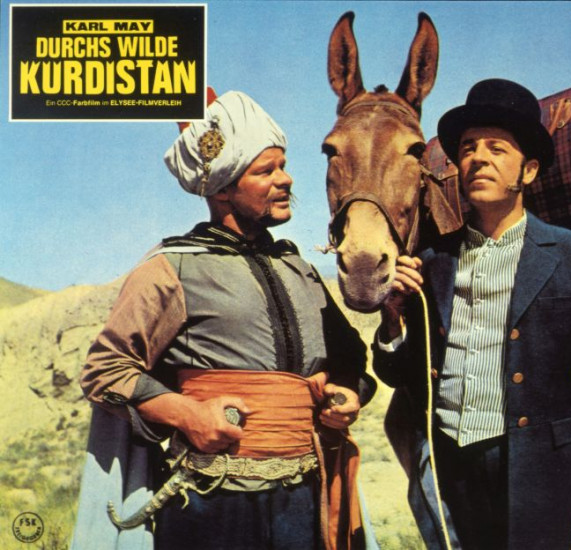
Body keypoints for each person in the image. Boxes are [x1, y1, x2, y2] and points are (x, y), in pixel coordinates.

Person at [72, 90, 373, 550]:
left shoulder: (301, 270)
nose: (286, 179)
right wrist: (187, 414)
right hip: (210, 502)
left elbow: (350, 356)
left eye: (283, 165)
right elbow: (105, 370)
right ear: (223, 189)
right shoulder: (173, 267)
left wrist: (349, 392)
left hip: (303, 501)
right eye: (266, 171)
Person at [373, 79, 571, 550]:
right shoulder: (432, 262)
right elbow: (400, 376)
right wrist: (393, 321)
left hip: (542, 474)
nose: (478, 158)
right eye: (468, 148)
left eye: (497, 148)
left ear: (528, 171)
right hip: (452, 471)